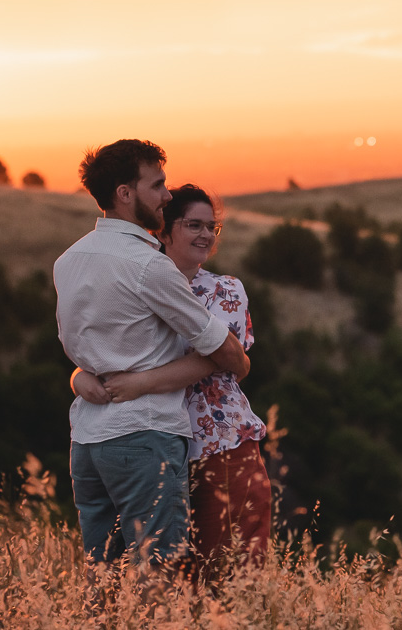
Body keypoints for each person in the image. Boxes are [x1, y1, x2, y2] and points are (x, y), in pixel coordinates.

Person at [54, 140, 248, 571]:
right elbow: (225, 351)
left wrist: (79, 377)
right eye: (157, 185)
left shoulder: (68, 260)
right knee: (158, 574)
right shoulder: (148, 265)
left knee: (103, 578)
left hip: (86, 440)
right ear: (125, 193)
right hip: (143, 436)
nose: (166, 195)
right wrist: (235, 356)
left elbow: (87, 353)